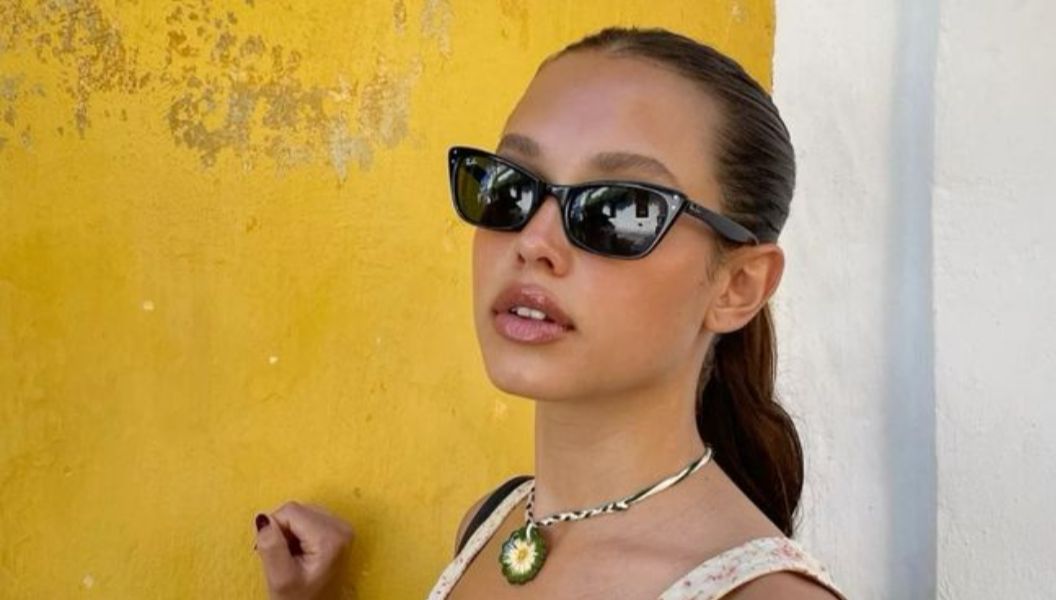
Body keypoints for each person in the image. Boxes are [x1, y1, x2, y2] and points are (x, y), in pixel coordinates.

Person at [251, 26, 848, 600]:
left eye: (618, 209)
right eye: (509, 187)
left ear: (737, 287)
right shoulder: (493, 523)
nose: (534, 240)